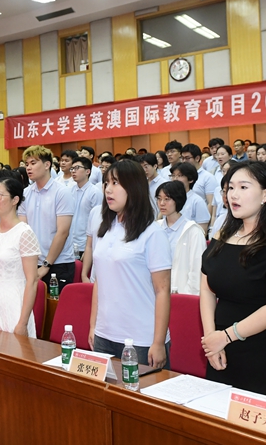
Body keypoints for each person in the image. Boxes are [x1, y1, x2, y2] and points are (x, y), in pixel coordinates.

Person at [200, 161, 266, 404]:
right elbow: (206, 288)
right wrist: (211, 339)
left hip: (263, 351)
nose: (233, 195)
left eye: (243, 187)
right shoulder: (222, 236)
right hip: (219, 348)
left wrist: (226, 336)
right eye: (230, 188)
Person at [85, 159, 171, 369]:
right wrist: (93, 326)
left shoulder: (152, 233)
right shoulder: (106, 228)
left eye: (116, 183)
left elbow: (162, 291)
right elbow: (99, 282)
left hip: (141, 338)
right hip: (104, 334)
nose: (108, 189)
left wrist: (158, 342)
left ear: (133, 187)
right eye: (106, 183)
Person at [0, 175, 40, 336]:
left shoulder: (24, 233)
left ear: (15, 200)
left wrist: (22, 323)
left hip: (13, 307)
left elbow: (32, 281)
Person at [18, 145, 75, 291]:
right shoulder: (25, 193)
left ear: (47, 165)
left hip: (59, 263)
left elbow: (62, 232)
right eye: (26, 164)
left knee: (55, 304)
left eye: (33, 163)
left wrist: (46, 264)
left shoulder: (62, 192)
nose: (28, 168)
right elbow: (23, 230)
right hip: (32, 262)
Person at [156, 181, 205, 295]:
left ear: (178, 200)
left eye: (167, 199)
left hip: (182, 293)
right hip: (156, 293)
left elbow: (197, 270)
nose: (162, 203)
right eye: (159, 199)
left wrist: (189, 296)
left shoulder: (193, 231)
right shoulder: (155, 228)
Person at [68, 156, 103, 260]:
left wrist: (90, 248)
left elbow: (97, 222)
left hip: (85, 244)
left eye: (77, 168)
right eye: (72, 168)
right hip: (70, 244)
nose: (73, 171)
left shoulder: (95, 193)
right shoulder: (69, 191)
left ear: (88, 171)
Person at [169, 162, 210, 233]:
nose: (175, 179)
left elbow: (202, 230)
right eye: (173, 175)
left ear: (190, 179)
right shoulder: (169, 199)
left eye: (180, 175)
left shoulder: (197, 201)